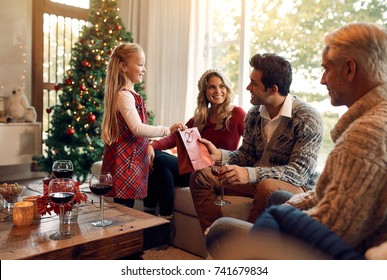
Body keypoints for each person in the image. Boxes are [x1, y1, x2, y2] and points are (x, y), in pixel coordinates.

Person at [206, 22, 387, 259]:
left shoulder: (367, 134)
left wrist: (275, 221)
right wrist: (221, 156)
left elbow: (332, 228)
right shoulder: (371, 121)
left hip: (341, 253)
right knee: (277, 199)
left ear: (350, 69)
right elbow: (324, 195)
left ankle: (247, 258)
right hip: (301, 200)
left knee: (222, 230)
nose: (322, 80)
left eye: (326, 69)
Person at [190, 53, 324, 232]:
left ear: (273, 90)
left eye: (254, 83)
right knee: (201, 177)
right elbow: (247, 155)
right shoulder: (254, 114)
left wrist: (250, 174)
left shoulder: (307, 117)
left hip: (295, 187)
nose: (247, 87)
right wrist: (221, 154)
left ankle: (247, 248)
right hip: (257, 180)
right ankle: (216, 236)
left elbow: (299, 172)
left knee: (267, 186)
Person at [144, 69, 246, 217]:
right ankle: (154, 216)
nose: (218, 91)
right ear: (204, 92)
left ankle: (155, 215)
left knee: (161, 160)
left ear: (227, 89)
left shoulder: (237, 114)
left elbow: (250, 146)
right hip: (195, 169)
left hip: (215, 173)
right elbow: (174, 138)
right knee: (157, 158)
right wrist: (151, 146)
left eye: (222, 86)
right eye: (212, 87)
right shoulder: (201, 117)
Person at [101, 43, 185, 208]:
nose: (144, 69)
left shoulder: (130, 95)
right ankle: (125, 234)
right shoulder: (124, 95)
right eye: (140, 64)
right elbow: (137, 128)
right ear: (123, 67)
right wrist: (167, 130)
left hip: (131, 160)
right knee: (124, 209)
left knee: (126, 208)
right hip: (126, 162)